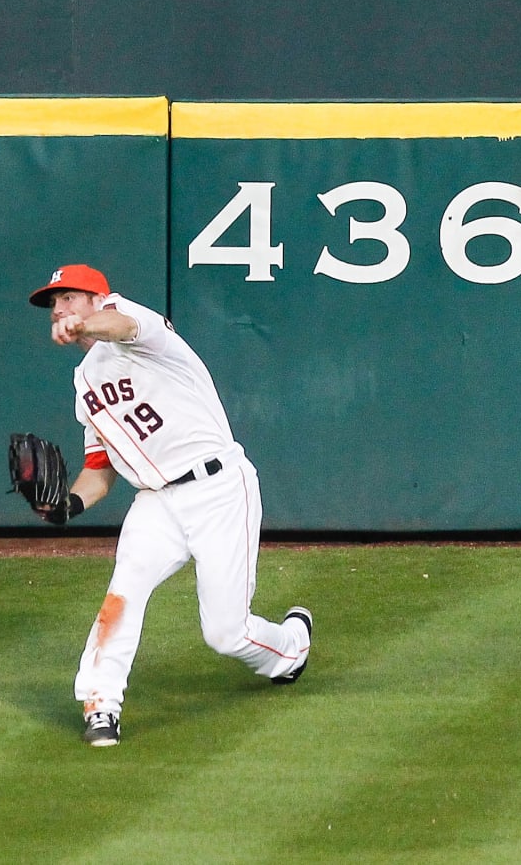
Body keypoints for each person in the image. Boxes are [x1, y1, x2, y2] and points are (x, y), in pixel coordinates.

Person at [28, 263, 312, 748]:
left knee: (225, 633)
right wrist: (68, 506)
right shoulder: (85, 385)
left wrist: (85, 323)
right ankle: (101, 703)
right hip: (156, 502)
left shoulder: (138, 329)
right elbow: (100, 470)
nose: (60, 309)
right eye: (55, 303)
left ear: (99, 298)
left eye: (70, 297)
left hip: (219, 488)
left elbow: (120, 326)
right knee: (123, 593)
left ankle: (290, 648)